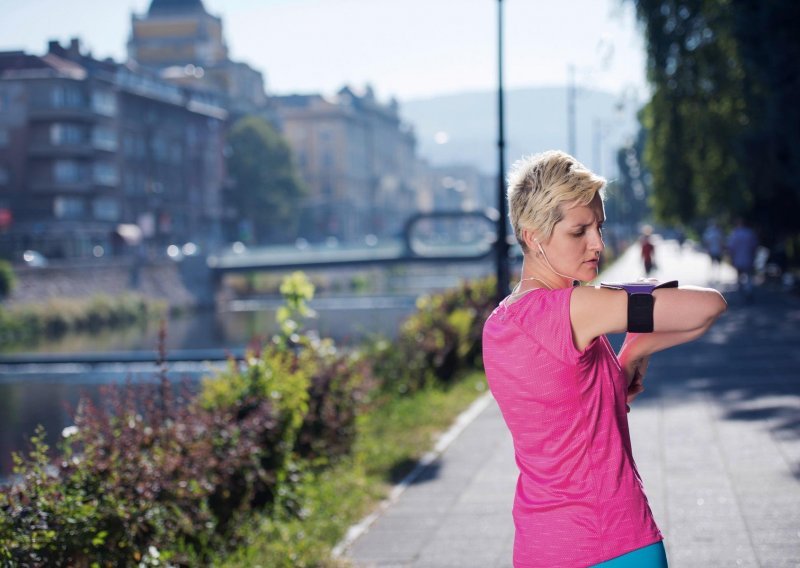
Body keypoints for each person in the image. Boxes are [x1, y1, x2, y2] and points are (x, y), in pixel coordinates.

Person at [482, 151, 727, 568]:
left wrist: (632, 350)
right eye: (579, 231)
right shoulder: (575, 308)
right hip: (614, 543)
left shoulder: (499, 323)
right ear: (532, 235)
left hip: (538, 547)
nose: (597, 243)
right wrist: (621, 304)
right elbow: (708, 307)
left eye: (599, 226)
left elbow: (564, 407)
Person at [726, 218, 759, 302]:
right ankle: (749, 290)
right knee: (749, 276)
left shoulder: (735, 234)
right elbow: (754, 247)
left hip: (738, 259)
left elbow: (731, 248)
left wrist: (731, 258)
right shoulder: (750, 233)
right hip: (748, 258)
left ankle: (741, 291)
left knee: (739, 276)